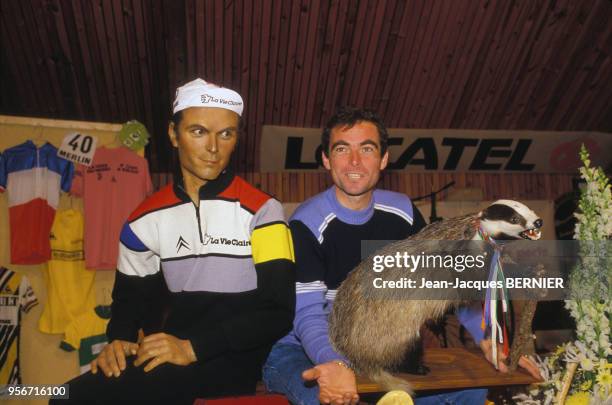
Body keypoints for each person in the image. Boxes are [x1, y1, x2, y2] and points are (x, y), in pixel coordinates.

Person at [262, 107, 541, 405]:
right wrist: (335, 363)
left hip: (373, 351)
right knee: (330, 400)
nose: (354, 161)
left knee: (471, 394)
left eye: (366, 149)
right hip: (300, 349)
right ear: (326, 159)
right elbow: (307, 313)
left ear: (383, 159)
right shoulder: (305, 222)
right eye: (342, 149)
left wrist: (489, 341)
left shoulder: (403, 212)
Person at [52, 78, 295, 404]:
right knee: (63, 395)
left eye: (226, 134)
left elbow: (278, 312)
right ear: (173, 134)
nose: (213, 147)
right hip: (172, 354)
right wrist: (118, 341)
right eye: (198, 131)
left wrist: (192, 347)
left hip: (235, 356)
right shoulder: (143, 219)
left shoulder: (263, 211)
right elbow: (130, 299)